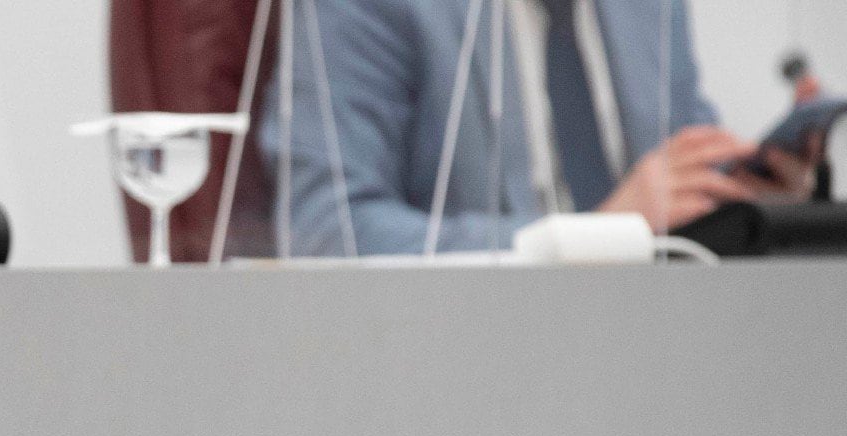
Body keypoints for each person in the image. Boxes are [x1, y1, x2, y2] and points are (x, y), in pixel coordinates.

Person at [257, 0, 818, 255]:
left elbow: (672, 172)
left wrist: (744, 195)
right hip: (462, 360)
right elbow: (325, 227)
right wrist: (588, 236)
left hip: (657, 348)